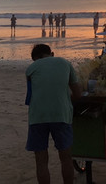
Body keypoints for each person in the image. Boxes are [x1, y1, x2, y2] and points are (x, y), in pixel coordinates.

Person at [25, 44, 81, 184]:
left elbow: (30, 96)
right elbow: (77, 93)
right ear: (52, 53)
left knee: (41, 161)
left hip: (37, 117)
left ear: (35, 59)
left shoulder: (31, 69)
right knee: (66, 158)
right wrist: (66, 100)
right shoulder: (65, 63)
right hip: (61, 114)